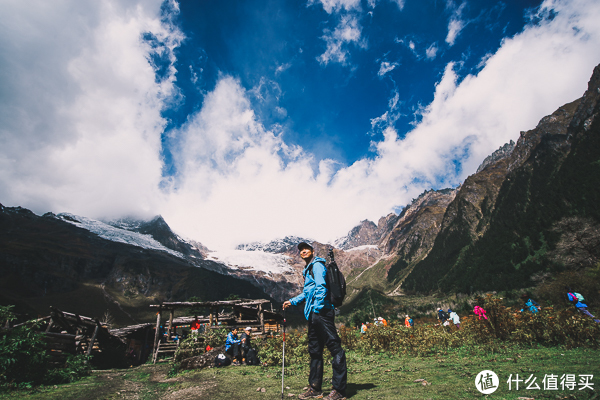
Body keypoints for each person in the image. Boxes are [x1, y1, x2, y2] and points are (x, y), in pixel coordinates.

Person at [283, 242, 347, 400]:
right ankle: (315, 388)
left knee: (335, 348)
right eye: (301, 250)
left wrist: (317, 308)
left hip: (322, 312)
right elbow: (308, 292)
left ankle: (339, 390)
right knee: (315, 350)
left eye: (306, 249)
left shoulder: (317, 266)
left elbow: (321, 287)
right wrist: (293, 301)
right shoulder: (308, 268)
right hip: (314, 314)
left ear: (312, 251)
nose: (303, 252)